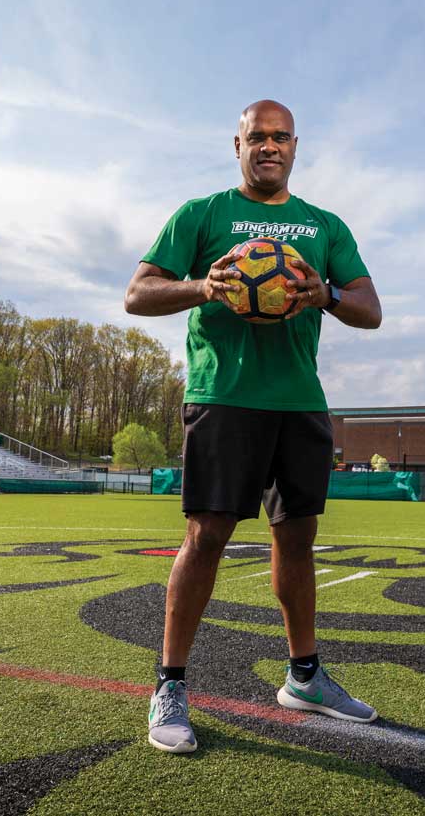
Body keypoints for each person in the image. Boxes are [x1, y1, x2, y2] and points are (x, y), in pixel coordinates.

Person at [124, 99, 383, 754]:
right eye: (256, 137)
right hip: (225, 396)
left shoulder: (323, 226)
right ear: (236, 145)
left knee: (297, 540)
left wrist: (325, 294)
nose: (269, 146)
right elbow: (137, 293)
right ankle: (171, 683)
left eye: (280, 137)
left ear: (296, 146)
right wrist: (203, 288)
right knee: (206, 536)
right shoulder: (202, 215)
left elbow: (370, 309)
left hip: (298, 401)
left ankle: (304, 676)